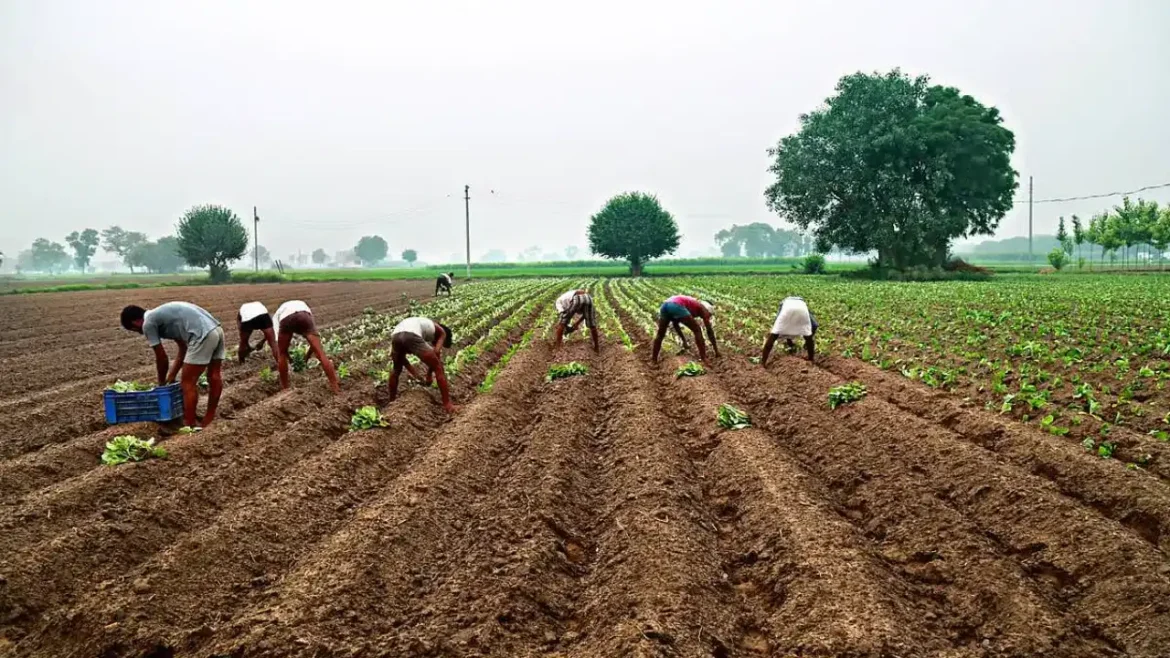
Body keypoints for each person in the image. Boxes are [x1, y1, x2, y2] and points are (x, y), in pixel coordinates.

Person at [120, 301, 225, 429]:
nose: (139, 333)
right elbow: (183, 348)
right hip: (216, 330)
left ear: (135, 322)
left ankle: (189, 424)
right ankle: (209, 418)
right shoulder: (162, 316)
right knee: (214, 375)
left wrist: (161, 384)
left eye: (135, 330)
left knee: (187, 383)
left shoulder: (148, 323)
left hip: (202, 335)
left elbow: (162, 358)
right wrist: (172, 375)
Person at [271, 300, 342, 394]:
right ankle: (335, 387)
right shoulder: (305, 309)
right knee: (321, 354)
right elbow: (313, 345)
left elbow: (281, 348)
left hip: (286, 319)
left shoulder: (276, 317)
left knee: (282, 355)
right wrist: (306, 358)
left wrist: (290, 359)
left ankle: (285, 388)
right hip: (304, 315)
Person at [388, 316, 456, 413]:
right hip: (411, 334)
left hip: (396, 336)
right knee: (439, 368)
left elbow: (402, 359)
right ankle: (447, 405)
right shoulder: (442, 332)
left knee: (396, 370)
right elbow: (436, 353)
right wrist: (429, 376)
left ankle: (392, 401)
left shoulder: (424, 324)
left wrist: (415, 374)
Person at [652, 295, 719, 364]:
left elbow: (675, 324)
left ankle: (654, 360)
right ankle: (703, 358)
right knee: (697, 330)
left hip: (665, 305)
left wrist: (684, 341)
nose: (708, 317)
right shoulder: (703, 308)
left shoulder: (692, 306)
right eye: (709, 315)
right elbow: (709, 331)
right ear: (708, 310)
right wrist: (716, 351)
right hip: (675, 305)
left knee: (660, 334)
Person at [761, 296, 818, 364]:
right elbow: (815, 325)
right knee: (808, 337)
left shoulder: (785, 303)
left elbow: (783, 325)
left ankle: (763, 362)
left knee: (774, 335)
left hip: (787, 308)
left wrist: (775, 330)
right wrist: (809, 335)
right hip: (802, 309)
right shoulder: (802, 303)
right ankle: (811, 359)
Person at [553, 288, 600, 352]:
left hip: (577, 297)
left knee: (562, 323)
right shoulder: (565, 298)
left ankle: (557, 346)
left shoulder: (558, 303)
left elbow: (563, 317)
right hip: (588, 298)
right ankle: (597, 347)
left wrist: (565, 326)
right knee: (592, 325)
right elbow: (585, 315)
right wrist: (577, 323)